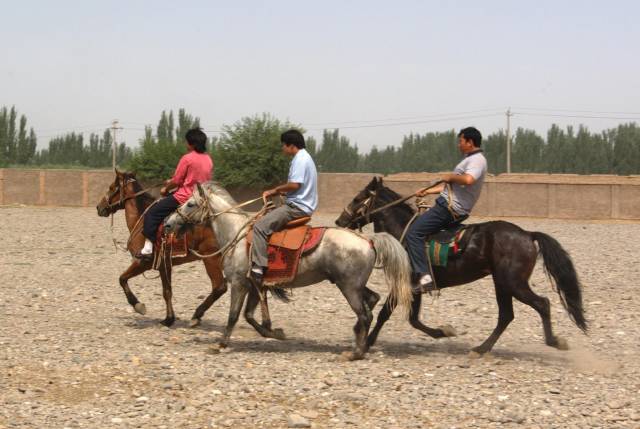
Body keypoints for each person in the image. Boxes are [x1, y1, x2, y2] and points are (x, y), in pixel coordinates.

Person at [405, 126, 487, 293]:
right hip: (451, 205)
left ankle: (424, 277)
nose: (459, 145)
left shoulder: (477, 160)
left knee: (413, 233)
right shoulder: (469, 159)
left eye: (461, 141)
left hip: (449, 208)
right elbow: (451, 187)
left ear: (470, 142)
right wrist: (427, 191)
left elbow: (468, 180)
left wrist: (450, 176)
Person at [249, 129, 318, 285]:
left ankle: (259, 268)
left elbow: (294, 184)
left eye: (283, 145)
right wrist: (285, 195)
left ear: (291, 145)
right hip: (300, 203)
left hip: (296, 207)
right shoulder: (306, 157)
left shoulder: (300, 159)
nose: (282, 148)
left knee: (259, 226)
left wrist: (275, 190)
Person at [137, 128, 213, 260]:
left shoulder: (187, 158)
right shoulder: (208, 159)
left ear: (192, 144)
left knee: (152, 213)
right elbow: (197, 178)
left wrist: (166, 189)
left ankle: (148, 249)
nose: (185, 144)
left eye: (187, 142)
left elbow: (177, 180)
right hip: (202, 197)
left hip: (185, 197)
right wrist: (172, 181)